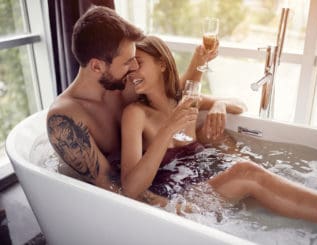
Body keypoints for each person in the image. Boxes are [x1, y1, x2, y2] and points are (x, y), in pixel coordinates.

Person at [120, 35, 317, 224]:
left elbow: (239, 105)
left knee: (264, 176)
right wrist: (169, 128)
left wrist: (220, 105)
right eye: (129, 68)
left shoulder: (185, 101)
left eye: (139, 63)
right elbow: (130, 188)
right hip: (179, 197)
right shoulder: (136, 114)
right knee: (247, 171)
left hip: (207, 182)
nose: (132, 72)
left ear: (162, 64)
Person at [46, 6, 227, 206]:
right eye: (127, 63)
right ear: (97, 66)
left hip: (153, 179)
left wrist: (199, 60)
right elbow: (113, 188)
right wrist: (181, 210)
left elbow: (168, 92)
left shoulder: (119, 84)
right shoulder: (64, 119)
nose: (134, 69)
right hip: (112, 205)